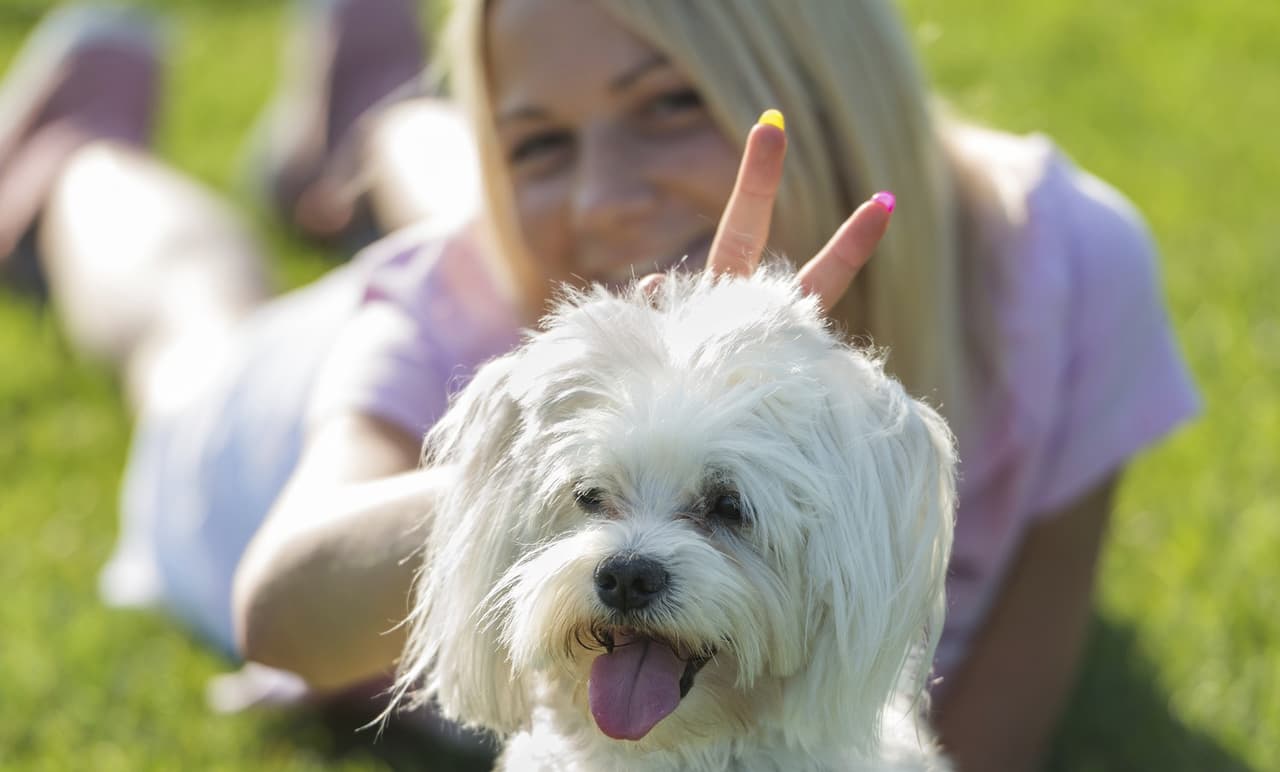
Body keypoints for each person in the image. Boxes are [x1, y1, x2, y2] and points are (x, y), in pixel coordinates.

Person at [0, 2, 1198, 770]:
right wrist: (563, 444)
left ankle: (371, 121)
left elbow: (983, 738)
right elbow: (284, 613)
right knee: (188, 335)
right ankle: (74, 162)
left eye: (671, 102)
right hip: (307, 432)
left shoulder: (1059, 266)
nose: (607, 194)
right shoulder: (457, 308)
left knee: (543, 214)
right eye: (538, 140)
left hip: (538, 266)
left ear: (819, 68)